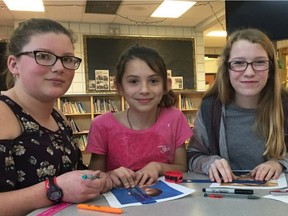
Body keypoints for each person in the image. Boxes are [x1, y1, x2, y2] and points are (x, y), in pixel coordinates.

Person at [0, 18, 112, 216]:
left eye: (67, 59)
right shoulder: (3, 113)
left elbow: (75, 173)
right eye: (43, 56)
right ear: (14, 64)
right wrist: (55, 189)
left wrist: (104, 177)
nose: (60, 67)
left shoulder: (58, 116)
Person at [187, 28, 288, 184]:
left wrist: (280, 163)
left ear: (271, 68)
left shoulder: (285, 104)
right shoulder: (211, 107)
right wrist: (209, 163)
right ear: (227, 69)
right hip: (224, 200)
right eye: (239, 63)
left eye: (260, 62)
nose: (249, 72)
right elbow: (193, 156)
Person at [86, 45, 192, 188]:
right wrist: (110, 175)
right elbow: (92, 176)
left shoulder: (175, 118)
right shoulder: (101, 125)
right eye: (133, 81)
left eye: (153, 81)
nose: (144, 90)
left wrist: (157, 167)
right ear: (119, 87)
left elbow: (182, 167)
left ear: (166, 85)